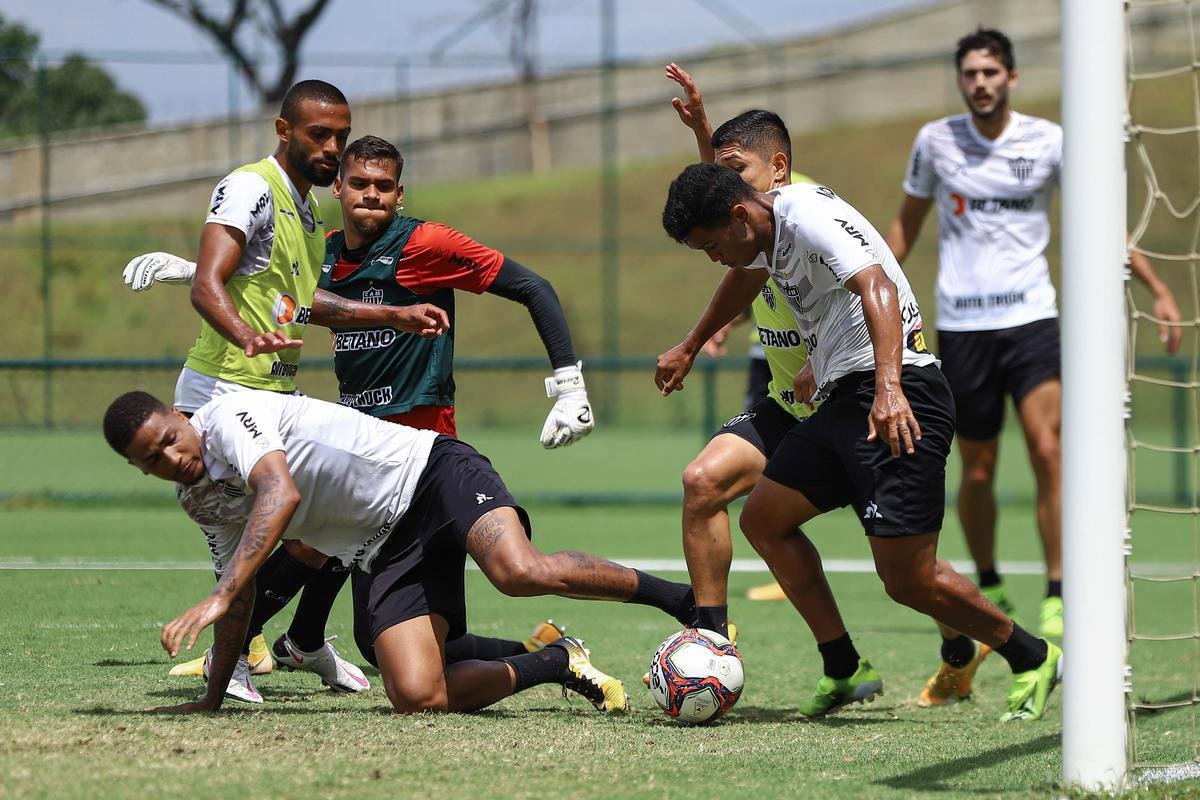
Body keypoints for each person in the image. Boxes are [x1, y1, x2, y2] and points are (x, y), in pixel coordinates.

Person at [124, 133, 597, 699]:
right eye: (360, 183)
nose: (371, 194)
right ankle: (292, 644)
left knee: (325, 565)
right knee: (330, 566)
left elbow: (532, 287)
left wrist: (569, 385)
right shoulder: (321, 251)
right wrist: (193, 271)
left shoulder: (425, 243)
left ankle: (562, 650)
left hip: (421, 450)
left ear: (400, 193)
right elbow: (286, 301)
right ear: (338, 189)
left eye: (383, 186)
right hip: (358, 436)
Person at [659, 162, 1062, 722]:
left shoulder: (808, 216)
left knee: (908, 579)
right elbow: (746, 275)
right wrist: (696, 344)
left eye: (711, 245)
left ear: (739, 215)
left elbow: (878, 285)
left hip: (898, 396)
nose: (713, 258)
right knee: (765, 520)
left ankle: (1033, 655)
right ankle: (844, 665)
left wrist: (889, 388)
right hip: (843, 399)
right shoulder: (764, 231)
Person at [121, 80, 451, 701]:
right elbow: (208, 285)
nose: (331, 148)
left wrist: (393, 315)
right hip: (220, 395)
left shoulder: (307, 211)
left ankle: (303, 640)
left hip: (269, 396)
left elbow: (302, 304)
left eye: (340, 137)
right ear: (283, 130)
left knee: (331, 516)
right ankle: (235, 663)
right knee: (251, 539)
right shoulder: (251, 187)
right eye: (318, 134)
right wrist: (245, 333)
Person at [883, 28, 1181, 703]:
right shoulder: (935, 141)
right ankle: (989, 581)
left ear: (1011, 78)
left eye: (991, 72)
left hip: (1032, 319)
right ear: (961, 81)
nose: (980, 83)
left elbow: (1100, 221)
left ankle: (1057, 591)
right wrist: (861, 292)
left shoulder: (1048, 142)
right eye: (970, 73)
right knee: (977, 468)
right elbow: (904, 227)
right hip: (963, 325)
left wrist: (1157, 286)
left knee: (1048, 449)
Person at [102, 390, 697, 715]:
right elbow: (237, 597)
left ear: (180, 416)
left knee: (518, 571)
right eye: (152, 461)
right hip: (384, 546)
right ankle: (556, 662)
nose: (173, 459)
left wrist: (224, 589)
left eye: (170, 440)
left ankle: (681, 602)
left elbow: (279, 493)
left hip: (431, 473)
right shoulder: (199, 500)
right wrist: (211, 697)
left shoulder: (230, 416)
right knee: (417, 696)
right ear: (138, 469)